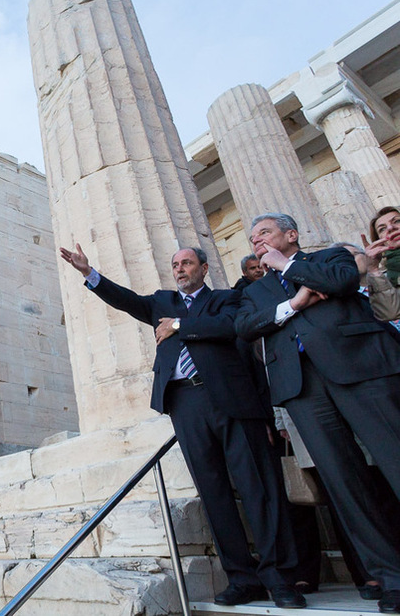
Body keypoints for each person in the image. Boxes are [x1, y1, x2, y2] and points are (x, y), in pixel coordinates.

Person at [60, 244, 304, 609]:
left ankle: (278, 577)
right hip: (185, 402)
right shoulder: (161, 301)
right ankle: (242, 578)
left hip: (231, 400)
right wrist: (88, 273)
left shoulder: (228, 298)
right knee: (214, 492)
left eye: (187, 263)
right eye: (175, 264)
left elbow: (230, 328)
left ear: (204, 268)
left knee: (258, 488)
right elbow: (126, 300)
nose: (180, 269)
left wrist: (178, 326)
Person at [234, 212, 400, 614]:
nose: (257, 240)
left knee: (395, 459)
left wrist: (289, 266)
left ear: (291, 234)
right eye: (252, 237)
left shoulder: (330, 257)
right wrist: (295, 302)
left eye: (265, 233)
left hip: (361, 368)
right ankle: (391, 576)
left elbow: (342, 282)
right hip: (303, 390)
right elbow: (245, 326)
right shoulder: (257, 291)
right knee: (345, 485)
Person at [363, 207, 400, 322]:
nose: (390, 228)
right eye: (382, 229)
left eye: (397, 221)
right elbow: (390, 313)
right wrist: (373, 270)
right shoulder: (387, 278)